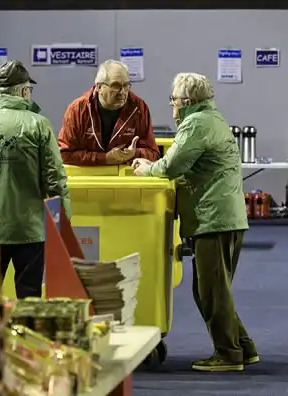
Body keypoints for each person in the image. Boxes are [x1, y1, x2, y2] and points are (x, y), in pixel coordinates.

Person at [132, 73, 257, 372]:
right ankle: (243, 346)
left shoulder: (197, 123)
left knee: (210, 291)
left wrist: (148, 169)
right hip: (222, 217)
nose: (172, 106)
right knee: (213, 289)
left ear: (186, 102)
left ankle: (228, 354)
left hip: (214, 219)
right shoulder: (211, 118)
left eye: (174, 100)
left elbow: (173, 165)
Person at [0, 60, 71, 299]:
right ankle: (26, 337)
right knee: (29, 299)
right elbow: (55, 180)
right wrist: (64, 222)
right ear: (24, 91)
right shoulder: (39, 125)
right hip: (29, 230)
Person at [58, 60, 160, 166]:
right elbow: (64, 154)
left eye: (126, 85)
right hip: (88, 179)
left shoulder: (139, 108)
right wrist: (104, 159)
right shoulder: (78, 110)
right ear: (99, 87)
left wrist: (134, 154)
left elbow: (153, 154)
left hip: (126, 180)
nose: (122, 92)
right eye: (115, 86)